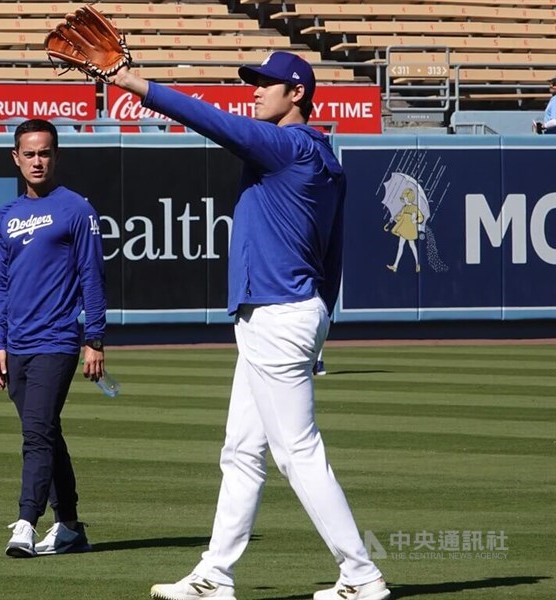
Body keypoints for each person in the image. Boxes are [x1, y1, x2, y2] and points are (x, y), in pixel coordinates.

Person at [110, 52, 389, 600]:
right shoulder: (325, 158)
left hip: (277, 314)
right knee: (241, 450)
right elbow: (332, 255)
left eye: (266, 84)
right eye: (253, 82)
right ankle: (216, 573)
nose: (254, 91)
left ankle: (361, 573)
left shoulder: (286, 146)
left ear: (297, 95)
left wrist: (132, 82)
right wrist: (322, 324)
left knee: (297, 452)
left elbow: (212, 121)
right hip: (292, 311)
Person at [0, 118, 106, 558]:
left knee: (36, 436)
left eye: (45, 153)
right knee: (46, 432)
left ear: (56, 156)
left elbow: (92, 278)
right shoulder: (6, 214)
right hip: (16, 344)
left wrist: (93, 338)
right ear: (16, 157)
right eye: (30, 153)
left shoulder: (76, 209)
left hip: (57, 342)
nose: (37, 161)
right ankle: (71, 526)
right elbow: (0, 285)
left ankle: (25, 522)